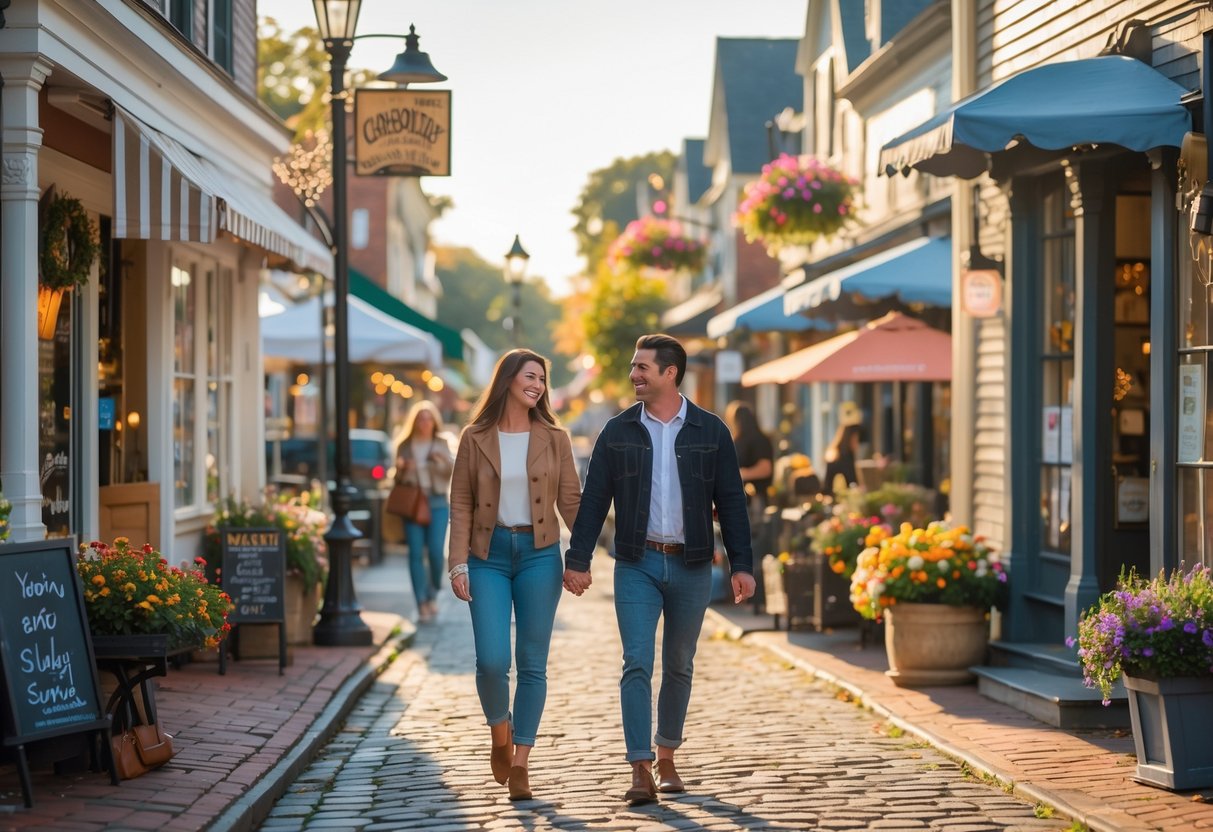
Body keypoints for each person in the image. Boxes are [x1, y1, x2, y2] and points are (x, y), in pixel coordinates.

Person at [563, 333, 755, 806]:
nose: (634, 375)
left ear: (670, 373)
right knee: (636, 661)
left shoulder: (711, 431)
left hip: (691, 564)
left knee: (680, 664)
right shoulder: (618, 430)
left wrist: (742, 564)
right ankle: (640, 768)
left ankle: (667, 755)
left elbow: (731, 501)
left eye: (642, 368)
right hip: (636, 561)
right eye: (633, 367)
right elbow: (593, 501)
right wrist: (578, 559)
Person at [447, 349, 581, 801]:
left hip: (541, 555)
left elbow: (572, 504)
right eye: (530, 376)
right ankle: (499, 732)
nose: (538, 385)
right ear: (507, 380)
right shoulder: (475, 436)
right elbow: (461, 503)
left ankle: (521, 762)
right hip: (488, 555)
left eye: (543, 379)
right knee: (490, 660)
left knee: (532, 663)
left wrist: (581, 555)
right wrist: (457, 562)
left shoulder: (555, 438)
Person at [391, 400, 455, 624]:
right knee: (415, 554)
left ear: (434, 421)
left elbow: (451, 471)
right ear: (415, 421)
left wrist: (440, 462)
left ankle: (433, 591)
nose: (425, 422)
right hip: (413, 503)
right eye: (421, 418)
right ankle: (421, 602)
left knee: (437, 552)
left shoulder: (441, 443)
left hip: (437, 502)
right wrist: (402, 470)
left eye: (428, 418)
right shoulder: (405, 445)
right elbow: (396, 479)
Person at [725, 400, 774, 512]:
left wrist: (741, 474)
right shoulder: (738, 440)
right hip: (738, 498)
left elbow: (765, 468)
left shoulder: (759, 439)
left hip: (754, 498)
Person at [823, 401, 864, 493]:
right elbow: (853, 484)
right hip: (846, 463)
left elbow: (827, 486)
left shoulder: (840, 435)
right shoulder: (847, 457)